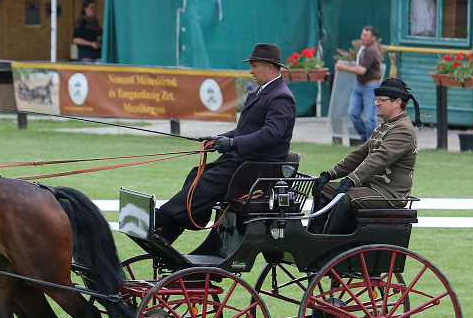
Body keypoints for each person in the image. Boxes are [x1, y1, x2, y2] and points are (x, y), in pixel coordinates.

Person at [154, 43, 296, 244]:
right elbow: (243, 130)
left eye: (255, 65)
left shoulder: (281, 96)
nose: (251, 70)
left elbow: (270, 134)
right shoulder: (262, 92)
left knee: (207, 181)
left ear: (270, 67)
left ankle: (160, 218)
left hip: (259, 166)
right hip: (246, 160)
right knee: (196, 174)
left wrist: (233, 144)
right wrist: (219, 139)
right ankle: (170, 231)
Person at [308, 78, 421, 234]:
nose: (376, 103)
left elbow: (379, 160)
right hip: (371, 187)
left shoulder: (403, 130)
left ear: (397, 102)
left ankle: (329, 242)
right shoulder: (385, 126)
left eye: (381, 100)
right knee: (324, 189)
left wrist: (350, 180)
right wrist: (330, 174)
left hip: (388, 193)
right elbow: (359, 154)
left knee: (345, 197)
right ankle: (314, 234)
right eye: (376, 99)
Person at [335, 26, 382, 143]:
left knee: (370, 119)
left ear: (373, 38)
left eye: (366, 36)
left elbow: (361, 70)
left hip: (371, 86)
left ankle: (372, 143)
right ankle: (365, 139)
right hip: (360, 85)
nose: (362, 37)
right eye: (362, 34)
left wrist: (343, 68)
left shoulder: (371, 50)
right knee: (353, 113)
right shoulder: (363, 48)